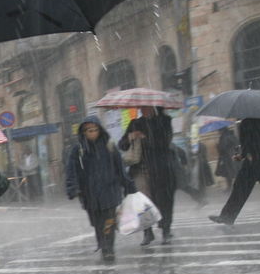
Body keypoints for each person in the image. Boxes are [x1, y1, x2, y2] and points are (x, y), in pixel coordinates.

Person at [65, 117, 134, 263]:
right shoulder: (78, 150)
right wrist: (73, 188)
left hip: (109, 191)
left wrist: (128, 185)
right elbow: (72, 171)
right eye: (89, 130)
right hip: (90, 194)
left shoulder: (109, 146)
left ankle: (108, 248)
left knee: (109, 221)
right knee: (97, 223)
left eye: (95, 130)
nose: (93, 133)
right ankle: (102, 243)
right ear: (84, 133)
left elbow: (119, 168)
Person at [118, 106, 177, 245]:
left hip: (161, 168)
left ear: (154, 107)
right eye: (142, 107)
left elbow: (165, 142)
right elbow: (122, 145)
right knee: (142, 203)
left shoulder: (164, 121)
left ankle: (166, 231)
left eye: (147, 107)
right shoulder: (135, 123)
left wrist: (145, 138)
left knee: (164, 201)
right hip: (141, 170)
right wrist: (130, 137)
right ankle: (148, 232)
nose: (144, 110)